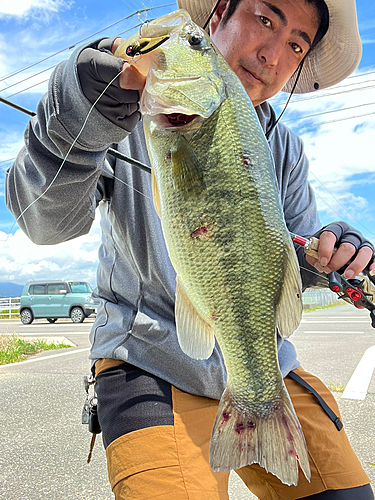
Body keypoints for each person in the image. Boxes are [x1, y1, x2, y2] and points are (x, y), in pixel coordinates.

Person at [5, 0, 375, 498]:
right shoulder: (127, 109)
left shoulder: (284, 147)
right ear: (219, 13)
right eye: (265, 19)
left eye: (294, 45)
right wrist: (78, 117)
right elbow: (43, 223)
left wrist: (337, 250)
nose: (271, 54)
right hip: (148, 363)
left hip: (264, 365)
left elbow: (299, 258)